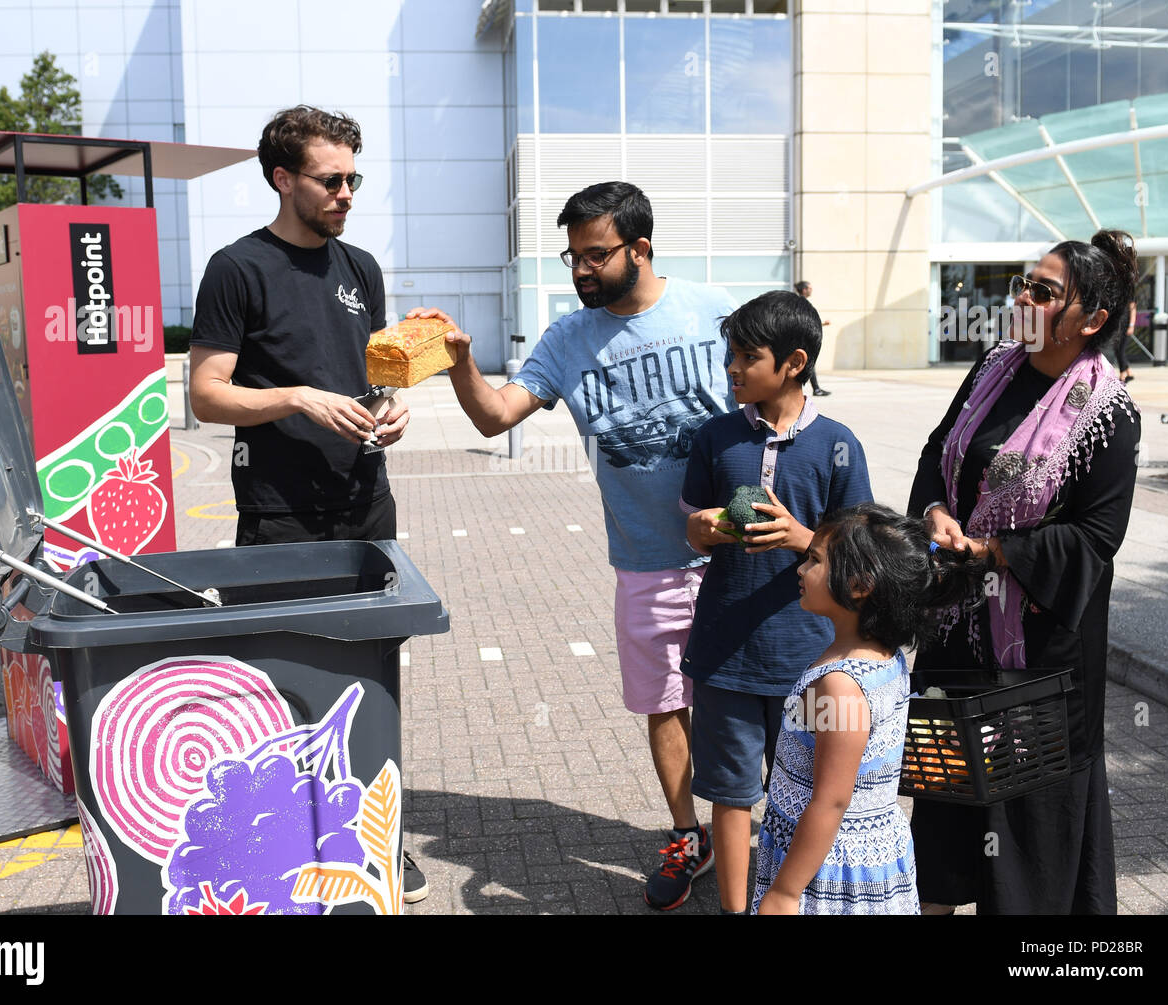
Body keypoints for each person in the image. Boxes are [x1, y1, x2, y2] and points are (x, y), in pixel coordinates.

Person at [410, 181, 737, 910]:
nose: (581, 271)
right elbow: (496, 417)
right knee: (664, 705)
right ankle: (690, 836)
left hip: (734, 556)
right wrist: (461, 359)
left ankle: (753, 832)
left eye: (596, 255)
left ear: (641, 248)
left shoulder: (712, 312)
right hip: (646, 560)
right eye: (572, 257)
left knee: (747, 699)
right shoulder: (566, 339)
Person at [187, 105, 427, 904]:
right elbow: (205, 394)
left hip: (365, 505)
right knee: (284, 680)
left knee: (372, 675)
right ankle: (289, 851)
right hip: (280, 513)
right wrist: (293, 397)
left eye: (354, 177)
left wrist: (391, 408)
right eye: (331, 179)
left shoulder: (361, 268)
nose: (347, 192)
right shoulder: (237, 268)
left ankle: (375, 841)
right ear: (283, 178)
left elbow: (381, 373)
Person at [907, 229, 1141, 915]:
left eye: (1043, 291)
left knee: (1025, 840)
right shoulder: (995, 365)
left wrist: (992, 552)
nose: (1023, 299)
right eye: (1022, 285)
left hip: (1039, 664)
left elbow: (1096, 539)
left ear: (1091, 318)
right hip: (954, 632)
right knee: (945, 819)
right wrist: (933, 511)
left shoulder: (1107, 415)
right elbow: (937, 450)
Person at [680, 291, 873, 913]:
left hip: (813, 662)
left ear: (793, 362)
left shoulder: (837, 445)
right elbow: (688, 527)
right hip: (725, 655)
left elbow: (860, 557)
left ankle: (801, 899)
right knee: (732, 795)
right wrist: (704, 528)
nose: (731, 368)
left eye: (745, 356)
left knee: (814, 793)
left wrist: (802, 537)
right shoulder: (715, 437)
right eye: (729, 354)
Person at [751, 503, 988, 915]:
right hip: (859, 854)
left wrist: (786, 892)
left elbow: (830, 802)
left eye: (815, 560)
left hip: (826, 868)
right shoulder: (884, 655)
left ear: (860, 586)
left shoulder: (840, 686)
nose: (800, 570)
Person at [794, 281, 831, 396]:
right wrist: (822, 324)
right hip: (801, 339)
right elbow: (805, 322)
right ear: (804, 290)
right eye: (809, 288)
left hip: (800, 338)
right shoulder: (802, 303)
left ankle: (816, 389)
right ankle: (815, 389)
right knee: (808, 363)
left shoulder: (799, 302)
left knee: (807, 363)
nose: (811, 290)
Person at [1114, 300, 1136, 383]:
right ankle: (1129, 373)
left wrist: (1131, 326)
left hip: (1126, 327)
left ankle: (1122, 374)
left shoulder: (1130, 294)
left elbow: (1133, 311)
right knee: (1117, 350)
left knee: (1120, 350)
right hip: (1118, 327)